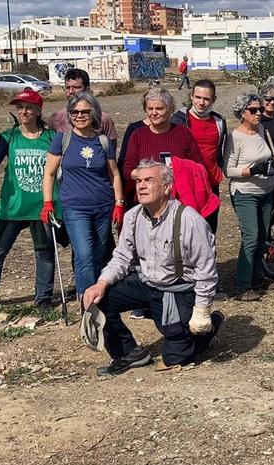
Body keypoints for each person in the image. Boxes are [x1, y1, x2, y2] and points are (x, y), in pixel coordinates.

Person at [82, 159, 223, 376]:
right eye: (139, 181)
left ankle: (206, 329)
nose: (141, 186)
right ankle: (129, 353)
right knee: (97, 300)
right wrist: (101, 284)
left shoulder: (189, 220)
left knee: (174, 357)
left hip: (177, 288)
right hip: (146, 283)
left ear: (167, 187)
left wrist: (202, 310)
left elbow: (206, 270)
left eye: (149, 180)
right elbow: (121, 257)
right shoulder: (132, 216)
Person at [0, 89, 57, 314]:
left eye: (28, 107)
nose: (24, 111)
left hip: (42, 205)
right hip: (11, 206)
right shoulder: (9, 137)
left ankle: (43, 299)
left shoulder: (51, 138)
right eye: (20, 108)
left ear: (38, 111)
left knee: (44, 253)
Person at [41, 92, 125, 301]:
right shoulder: (63, 139)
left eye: (85, 111)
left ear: (93, 113)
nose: (80, 116)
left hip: (103, 205)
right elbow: (49, 173)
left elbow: (114, 174)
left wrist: (119, 203)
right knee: (84, 255)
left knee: (98, 254)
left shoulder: (103, 141)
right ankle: (85, 302)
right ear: (70, 115)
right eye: (75, 112)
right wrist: (48, 203)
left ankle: (98, 296)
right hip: (75, 208)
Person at [225, 94, 274, 302]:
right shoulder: (235, 137)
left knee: (263, 237)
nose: (259, 113)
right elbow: (228, 170)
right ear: (242, 113)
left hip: (266, 190)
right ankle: (243, 285)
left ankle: (257, 278)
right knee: (251, 236)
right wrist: (251, 170)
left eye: (259, 109)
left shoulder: (262, 130)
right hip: (245, 191)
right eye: (253, 110)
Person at [119, 87, 203, 202]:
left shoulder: (184, 133)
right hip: (147, 201)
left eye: (159, 109)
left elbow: (199, 166)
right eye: (150, 109)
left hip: (179, 199)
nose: (154, 113)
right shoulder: (138, 135)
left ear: (170, 110)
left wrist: (180, 169)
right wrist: (150, 177)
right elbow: (128, 170)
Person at [171, 79, 232, 232]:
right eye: (198, 97)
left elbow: (219, 149)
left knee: (209, 230)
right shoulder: (178, 120)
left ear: (214, 100)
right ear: (191, 96)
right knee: (185, 231)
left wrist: (218, 171)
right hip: (185, 185)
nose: (201, 102)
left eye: (206, 99)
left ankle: (209, 257)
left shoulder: (219, 121)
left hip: (210, 184)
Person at [48, 68, 118, 156]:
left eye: (76, 87)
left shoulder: (102, 118)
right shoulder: (57, 118)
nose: (71, 91)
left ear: (87, 89)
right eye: (67, 87)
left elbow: (111, 151)